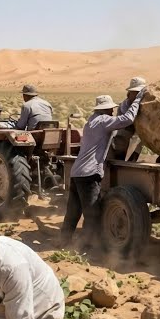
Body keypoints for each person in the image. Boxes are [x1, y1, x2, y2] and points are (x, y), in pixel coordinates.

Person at [60, 89, 146, 248]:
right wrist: (137, 99)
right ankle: (86, 247)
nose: (113, 110)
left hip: (77, 172)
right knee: (93, 215)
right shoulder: (103, 121)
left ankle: (63, 242)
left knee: (73, 211)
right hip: (89, 174)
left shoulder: (90, 122)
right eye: (110, 108)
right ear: (104, 109)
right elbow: (127, 119)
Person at [110, 76, 147, 160]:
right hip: (123, 139)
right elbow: (128, 120)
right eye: (136, 92)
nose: (138, 95)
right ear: (130, 93)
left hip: (136, 140)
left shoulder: (142, 104)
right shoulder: (124, 105)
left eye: (140, 93)